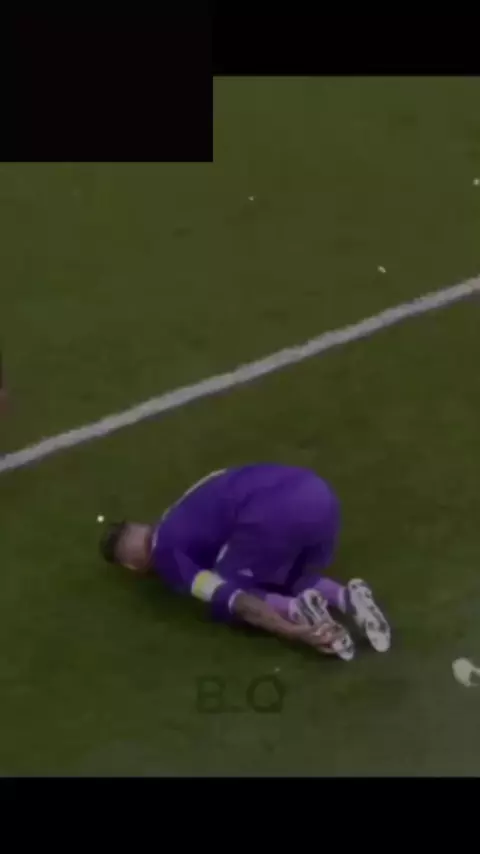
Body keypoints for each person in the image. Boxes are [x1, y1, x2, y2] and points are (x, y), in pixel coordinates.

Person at [99, 464, 391, 661]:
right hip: (319, 495)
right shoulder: (181, 512)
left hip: (272, 517)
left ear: (132, 566)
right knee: (272, 567)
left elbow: (236, 600)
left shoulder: (168, 557)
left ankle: (297, 610)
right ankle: (345, 596)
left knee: (225, 601)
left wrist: (292, 633)